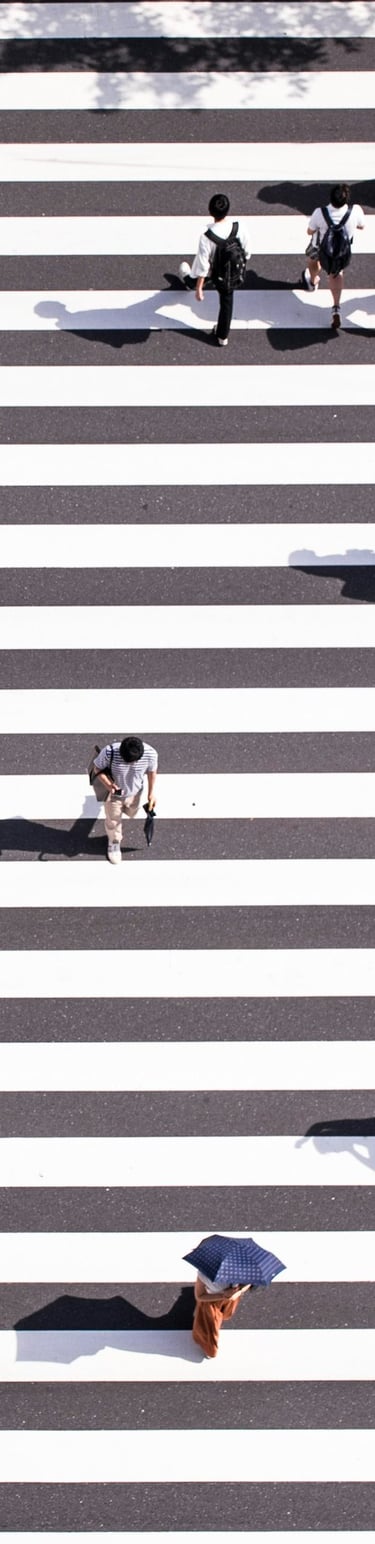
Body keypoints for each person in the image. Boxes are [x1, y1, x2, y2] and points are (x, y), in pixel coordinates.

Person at [179, 192, 251, 347]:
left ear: (210, 212)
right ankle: (222, 336)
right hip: (232, 272)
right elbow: (247, 251)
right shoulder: (239, 227)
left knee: (199, 272)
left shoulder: (207, 237)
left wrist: (199, 288)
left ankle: (189, 282)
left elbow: (204, 265)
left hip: (216, 271)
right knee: (227, 302)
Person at [302, 182, 365, 332]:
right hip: (341, 252)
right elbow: (362, 226)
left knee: (312, 260)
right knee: (336, 274)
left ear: (330, 198)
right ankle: (336, 307)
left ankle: (312, 280)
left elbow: (309, 232)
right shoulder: (354, 211)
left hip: (320, 248)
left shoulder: (320, 212)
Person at [93, 735, 157, 864]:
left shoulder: (151, 754)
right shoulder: (109, 752)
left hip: (136, 792)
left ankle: (121, 817)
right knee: (114, 819)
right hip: (114, 795)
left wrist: (151, 793)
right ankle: (114, 841)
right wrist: (108, 785)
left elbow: (152, 772)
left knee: (132, 812)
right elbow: (97, 768)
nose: (130, 764)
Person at [192, 1272, 251, 1358]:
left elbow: (249, 1283)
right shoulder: (204, 1274)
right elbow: (200, 1296)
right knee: (210, 1328)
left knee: (216, 1319)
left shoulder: (205, 1272)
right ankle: (210, 1349)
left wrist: (238, 1292)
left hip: (229, 1298)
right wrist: (225, 1295)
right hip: (212, 1301)